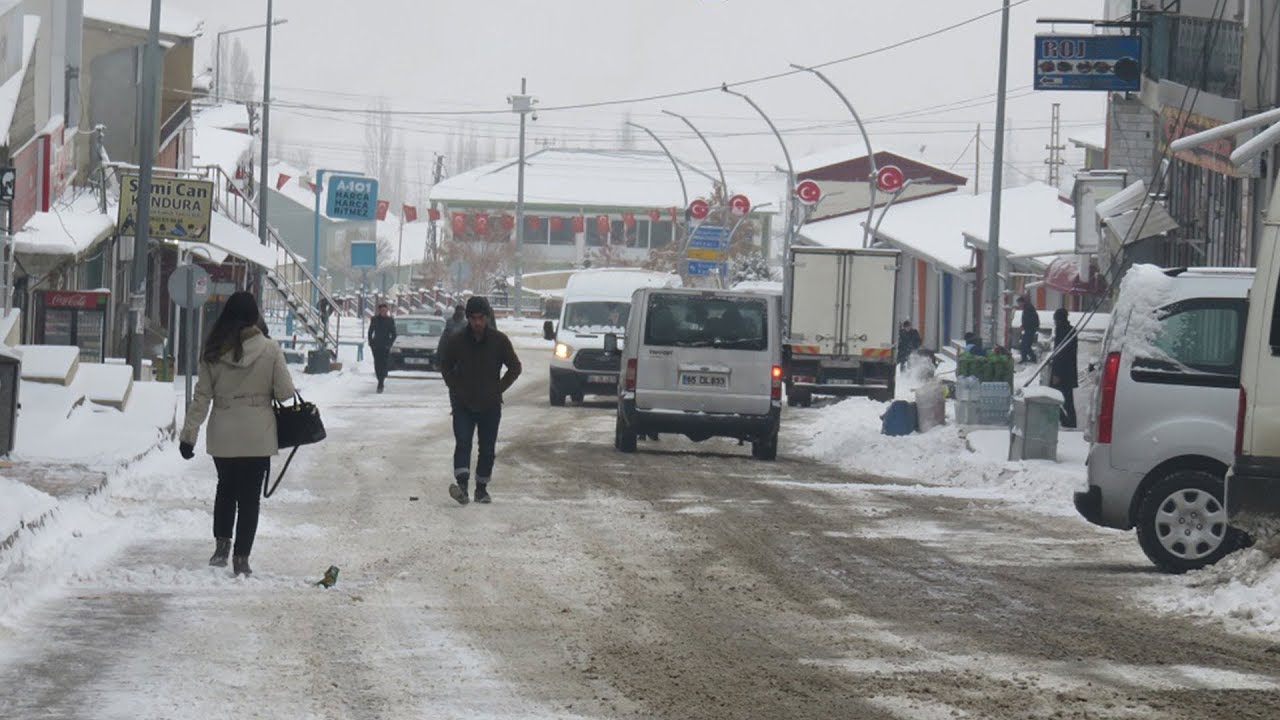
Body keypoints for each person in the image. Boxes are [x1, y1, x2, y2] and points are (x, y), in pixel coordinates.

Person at [179, 292, 295, 577]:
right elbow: (285, 392)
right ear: (255, 317)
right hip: (258, 434)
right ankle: (241, 558)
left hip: (224, 433)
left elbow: (201, 397)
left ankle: (221, 547)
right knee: (250, 499)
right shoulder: (270, 349)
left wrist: (188, 436)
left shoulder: (213, 349)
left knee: (226, 489)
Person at [440, 296, 522, 505]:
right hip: (463, 405)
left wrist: (498, 389)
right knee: (463, 443)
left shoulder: (499, 341)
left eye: (481, 318)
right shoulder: (457, 341)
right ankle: (462, 487)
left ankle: (481, 489)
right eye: (473, 318)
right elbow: (445, 365)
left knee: (487, 448)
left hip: (490, 405)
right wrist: (455, 387)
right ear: (467, 318)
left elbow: (515, 367)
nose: (477, 323)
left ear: (487, 318)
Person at [1050, 308, 1079, 429]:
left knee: (1052, 396)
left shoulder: (1061, 330)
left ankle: (1064, 419)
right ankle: (1070, 421)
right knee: (1068, 398)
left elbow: (1059, 353)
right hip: (1069, 370)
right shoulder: (1071, 330)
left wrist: (1056, 373)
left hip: (1061, 371)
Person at [368, 303, 397, 393]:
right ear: (379, 311)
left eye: (385, 311)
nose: (384, 312)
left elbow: (394, 334)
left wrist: (390, 343)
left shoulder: (390, 320)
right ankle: (379, 378)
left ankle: (381, 382)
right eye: (382, 311)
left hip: (385, 346)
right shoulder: (374, 319)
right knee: (377, 364)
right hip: (376, 346)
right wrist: (371, 342)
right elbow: (370, 332)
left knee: (384, 364)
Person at [1018, 294, 1040, 363]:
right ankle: (1029, 358)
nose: (1019, 305)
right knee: (1025, 345)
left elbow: (1029, 320)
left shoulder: (1028, 308)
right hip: (1030, 329)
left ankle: (1029, 358)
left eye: (1019, 303)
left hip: (1030, 329)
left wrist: (1024, 326)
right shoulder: (1028, 308)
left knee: (1025, 345)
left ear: (1022, 302)